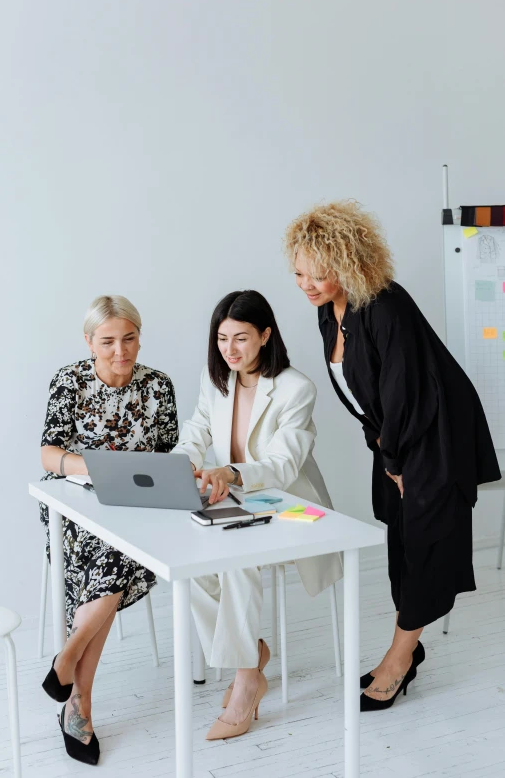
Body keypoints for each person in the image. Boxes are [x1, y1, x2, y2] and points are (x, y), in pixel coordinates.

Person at [285, 201, 501, 712]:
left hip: (433, 433)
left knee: (426, 543)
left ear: (351, 261)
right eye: (298, 273)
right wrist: (386, 454)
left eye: (320, 273)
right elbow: (366, 396)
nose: (308, 285)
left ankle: (399, 658)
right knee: (402, 541)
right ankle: (409, 644)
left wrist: (398, 463)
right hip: (394, 439)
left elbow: (405, 393)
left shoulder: (384, 306)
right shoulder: (327, 311)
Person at [172, 289, 343, 739]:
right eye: (222, 338)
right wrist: (183, 463)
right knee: (194, 569)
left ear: (265, 336)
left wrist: (227, 471)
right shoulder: (217, 380)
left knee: (237, 562)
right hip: (236, 500)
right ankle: (250, 656)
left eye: (241, 338)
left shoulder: (296, 388)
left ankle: (248, 681)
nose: (229, 349)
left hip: (288, 504)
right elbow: (195, 431)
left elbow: (282, 465)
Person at [39, 295, 178, 764]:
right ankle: (79, 701)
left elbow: (168, 459)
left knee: (122, 545)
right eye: (108, 341)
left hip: (138, 505)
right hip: (75, 503)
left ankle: (69, 659)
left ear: (140, 336)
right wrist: (94, 470)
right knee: (116, 550)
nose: (120, 350)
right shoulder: (70, 381)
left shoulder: (159, 386)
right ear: (89, 342)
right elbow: (48, 454)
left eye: (129, 338)